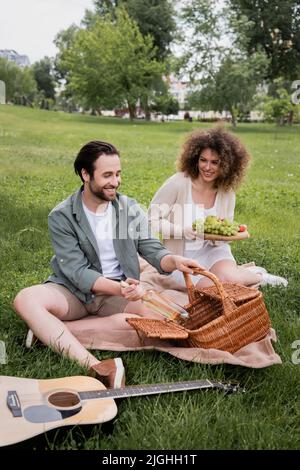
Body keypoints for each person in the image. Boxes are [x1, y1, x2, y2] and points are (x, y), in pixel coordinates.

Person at [13, 140, 201, 388]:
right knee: (26, 299)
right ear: (85, 174)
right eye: (107, 175)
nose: (115, 181)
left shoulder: (128, 209)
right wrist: (120, 289)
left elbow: (151, 249)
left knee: (161, 324)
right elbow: (77, 272)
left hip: (117, 293)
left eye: (118, 173)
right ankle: (97, 367)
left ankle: (47, 333)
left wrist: (174, 260)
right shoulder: (62, 216)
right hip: (74, 292)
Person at [148, 127, 288, 289]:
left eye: (215, 162)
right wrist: (183, 231)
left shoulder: (226, 192)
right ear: (195, 159)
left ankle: (257, 276)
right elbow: (152, 220)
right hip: (181, 258)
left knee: (228, 280)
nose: (207, 167)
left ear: (227, 164)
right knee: (211, 289)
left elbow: (221, 232)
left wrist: (232, 231)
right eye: (203, 160)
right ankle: (247, 274)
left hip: (213, 252)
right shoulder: (178, 183)